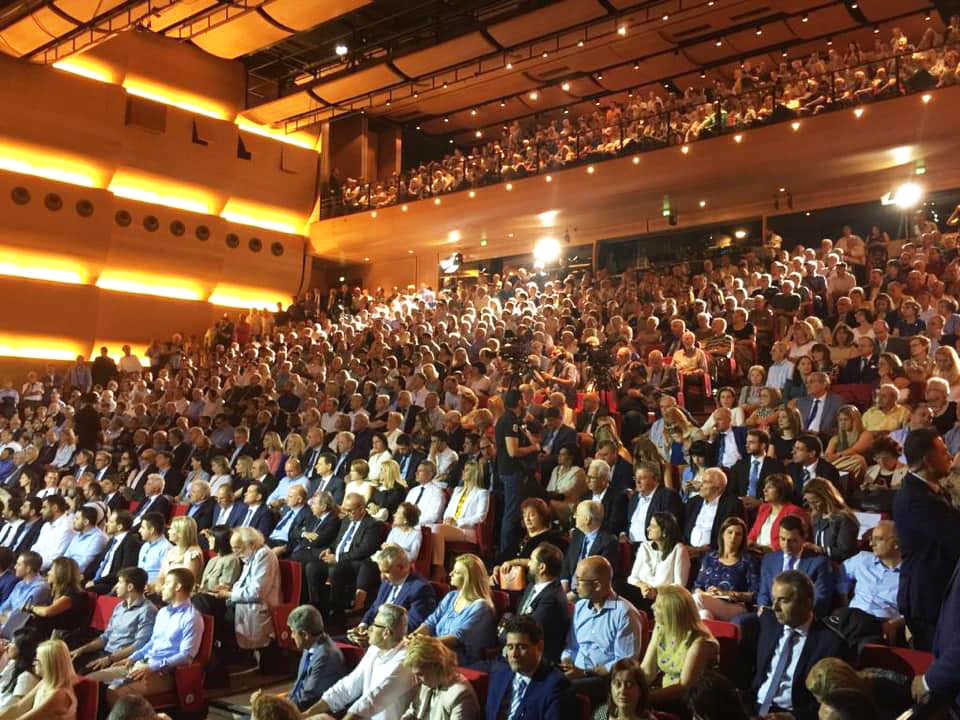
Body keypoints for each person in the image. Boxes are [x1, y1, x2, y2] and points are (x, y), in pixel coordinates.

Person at [86, 568, 204, 701]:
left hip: (165, 673)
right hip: (142, 664)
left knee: (113, 691)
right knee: (88, 682)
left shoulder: (192, 617)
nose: (162, 587)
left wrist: (152, 667)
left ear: (178, 587)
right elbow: (152, 642)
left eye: (167, 583)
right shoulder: (163, 612)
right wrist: (132, 657)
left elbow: (186, 656)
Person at [892, 427, 960, 650]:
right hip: (928, 598)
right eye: (944, 451)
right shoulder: (916, 498)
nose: (949, 455)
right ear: (928, 461)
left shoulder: (930, 490)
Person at [752, 571, 851, 720]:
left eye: (783, 600)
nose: (775, 607)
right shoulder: (768, 624)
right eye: (774, 599)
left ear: (807, 602)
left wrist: (793, 717)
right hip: (755, 706)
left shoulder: (831, 643)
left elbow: (832, 703)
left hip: (794, 714)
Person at [305, 603, 414, 720]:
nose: (369, 628)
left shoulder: (405, 660)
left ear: (386, 632)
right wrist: (306, 714)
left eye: (374, 624)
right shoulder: (375, 649)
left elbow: (372, 699)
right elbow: (348, 686)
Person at [560, 556, 644, 701]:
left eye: (579, 580)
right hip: (576, 673)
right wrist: (567, 659)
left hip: (605, 679)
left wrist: (585, 672)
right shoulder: (580, 607)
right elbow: (572, 646)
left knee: (562, 689)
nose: (575, 586)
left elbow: (625, 663)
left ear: (597, 585)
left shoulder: (625, 613)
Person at [194, 526, 278, 657]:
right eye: (233, 548)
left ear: (251, 544)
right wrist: (229, 590)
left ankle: (208, 653)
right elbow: (243, 585)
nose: (235, 552)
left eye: (238, 548)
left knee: (203, 602)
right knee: (201, 600)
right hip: (239, 602)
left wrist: (229, 594)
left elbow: (256, 592)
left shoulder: (264, 555)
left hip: (255, 606)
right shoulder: (251, 554)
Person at [303, 492, 383, 613]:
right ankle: (317, 606)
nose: (347, 513)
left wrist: (338, 558)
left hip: (354, 562)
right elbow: (338, 541)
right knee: (312, 567)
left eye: (350, 510)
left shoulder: (372, 525)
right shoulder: (346, 520)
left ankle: (336, 610)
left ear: (361, 509)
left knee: (335, 570)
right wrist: (330, 549)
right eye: (345, 510)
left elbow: (364, 550)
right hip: (337, 558)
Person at [413, 553, 496, 669]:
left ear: (468, 578)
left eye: (456, 572)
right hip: (436, 654)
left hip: (460, 662)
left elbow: (457, 638)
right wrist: (414, 636)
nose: (450, 574)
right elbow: (431, 622)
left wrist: (422, 644)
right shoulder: (451, 596)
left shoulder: (481, 607)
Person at [640, 585, 718, 707]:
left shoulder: (700, 643)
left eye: (658, 605)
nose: (652, 607)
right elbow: (647, 670)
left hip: (688, 703)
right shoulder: (662, 627)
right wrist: (629, 689)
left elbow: (683, 688)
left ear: (673, 612)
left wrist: (644, 699)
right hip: (662, 696)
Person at [486, 614, 574, 720]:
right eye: (510, 647)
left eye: (521, 647)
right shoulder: (499, 675)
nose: (514, 654)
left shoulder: (556, 686)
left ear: (540, 647)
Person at [70, 567, 157, 674]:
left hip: (119, 659)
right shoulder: (120, 606)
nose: (116, 586)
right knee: (66, 664)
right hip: (104, 653)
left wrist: (110, 659)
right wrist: (82, 650)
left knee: (81, 675)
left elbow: (138, 646)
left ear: (130, 587)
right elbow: (105, 637)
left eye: (119, 582)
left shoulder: (147, 610)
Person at [351, 544, 437, 644]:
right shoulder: (387, 582)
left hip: (393, 643)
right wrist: (363, 625)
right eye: (381, 572)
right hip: (373, 636)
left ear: (401, 568)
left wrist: (375, 633)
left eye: (386, 572)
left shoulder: (420, 589)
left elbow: (412, 625)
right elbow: (375, 607)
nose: (382, 577)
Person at [756, 515, 833, 619]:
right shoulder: (769, 560)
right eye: (782, 539)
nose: (786, 545)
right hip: (773, 615)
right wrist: (763, 609)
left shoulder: (818, 563)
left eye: (792, 540)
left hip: (803, 618)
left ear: (803, 538)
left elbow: (821, 598)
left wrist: (797, 614)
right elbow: (764, 593)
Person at [496, 389, 542, 563]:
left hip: (507, 471)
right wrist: (534, 448)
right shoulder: (510, 421)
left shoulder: (508, 419)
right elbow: (513, 451)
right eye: (523, 399)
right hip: (512, 472)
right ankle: (506, 554)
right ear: (519, 402)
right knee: (511, 512)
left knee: (511, 511)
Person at [271, 605, 344, 712]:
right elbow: (299, 686)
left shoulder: (325, 656)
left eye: (293, 632)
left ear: (305, 635)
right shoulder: (310, 646)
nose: (292, 636)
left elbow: (308, 697)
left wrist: (276, 708)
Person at [510, 542, 570, 665]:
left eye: (532, 560)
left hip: (536, 661)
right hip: (518, 650)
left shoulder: (552, 598)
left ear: (542, 567)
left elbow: (528, 632)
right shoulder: (532, 586)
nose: (528, 564)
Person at [428, 461, 490, 573]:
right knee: (428, 528)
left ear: (474, 473)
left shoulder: (482, 493)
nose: (463, 472)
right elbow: (448, 510)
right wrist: (448, 519)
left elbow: (481, 517)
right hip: (451, 526)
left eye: (466, 470)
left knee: (436, 529)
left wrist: (457, 522)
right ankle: (428, 567)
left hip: (467, 530)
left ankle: (439, 568)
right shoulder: (457, 490)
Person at [693, 516, 759, 621]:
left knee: (697, 598)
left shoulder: (748, 561)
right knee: (704, 614)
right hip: (709, 601)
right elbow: (697, 586)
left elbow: (754, 594)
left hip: (735, 606)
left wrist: (726, 594)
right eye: (730, 532)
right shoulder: (710, 557)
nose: (733, 537)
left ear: (743, 538)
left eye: (738, 534)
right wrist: (708, 594)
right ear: (722, 534)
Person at [400, 634, 480, 720]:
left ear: (436, 666)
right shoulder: (427, 684)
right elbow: (414, 710)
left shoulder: (460, 695)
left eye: (420, 674)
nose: (417, 680)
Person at [624, 512, 690, 611]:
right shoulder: (645, 546)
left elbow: (679, 586)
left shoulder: (679, 549)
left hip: (663, 599)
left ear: (664, 531)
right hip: (643, 594)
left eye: (653, 526)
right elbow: (632, 578)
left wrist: (656, 591)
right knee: (618, 587)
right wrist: (643, 586)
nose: (648, 529)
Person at [0, 638, 76, 720]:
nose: (33, 663)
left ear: (48, 664)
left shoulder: (59, 695)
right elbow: (19, 707)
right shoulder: (45, 682)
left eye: (37, 660)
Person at [24, 557, 92, 639]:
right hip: (47, 633)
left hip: (61, 638)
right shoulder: (56, 591)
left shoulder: (74, 594)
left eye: (51, 570)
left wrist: (32, 608)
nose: (48, 573)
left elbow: (47, 612)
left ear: (60, 574)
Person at [682, 468, 744, 556]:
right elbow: (683, 530)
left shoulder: (732, 505)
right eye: (701, 481)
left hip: (714, 554)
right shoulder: (693, 502)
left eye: (705, 482)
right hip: (688, 553)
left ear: (718, 488)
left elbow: (731, 536)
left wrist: (701, 550)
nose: (700, 485)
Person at [561, 500, 619, 594]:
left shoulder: (609, 542)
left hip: (590, 592)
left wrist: (574, 594)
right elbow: (567, 561)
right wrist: (564, 583)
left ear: (587, 519)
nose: (574, 516)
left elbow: (599, 576)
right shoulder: (577, 534)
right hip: (568, 590)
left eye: (577, 514)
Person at [802, 477, 859, 562]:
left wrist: (820, 550)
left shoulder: (844, 519)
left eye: (816, 502)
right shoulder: (816, 516)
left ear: (827, 498)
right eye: (810, 502)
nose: (813, 506)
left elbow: (845, 552)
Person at [747, 474, 807, 551]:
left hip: (777, 554)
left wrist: (763, 548)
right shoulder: (764, 508)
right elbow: (753, 533)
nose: (764, 490)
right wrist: (749, 544)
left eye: (770, 487)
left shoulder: (794, 511)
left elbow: (792, 541)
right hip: (756, 552)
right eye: (765, 487)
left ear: (782, 490)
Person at [0, 627, 40, 711]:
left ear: (22, 648)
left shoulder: (26, 677)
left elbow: (11, 709)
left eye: (12, 642)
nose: (8, 645)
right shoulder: (12, 664)